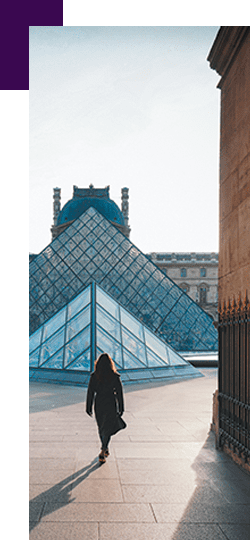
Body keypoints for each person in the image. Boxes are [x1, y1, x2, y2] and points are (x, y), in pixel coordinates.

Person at [86, 353, 125, 464]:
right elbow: (119, 393)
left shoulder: (94, 376)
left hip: (99, 404)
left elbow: (90, 393)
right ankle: (104, 448)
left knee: (101, 426)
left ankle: (104, 448)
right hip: (110, 403)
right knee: (108, 427)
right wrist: (121, 408)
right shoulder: (115, 376)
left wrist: (88, 407)